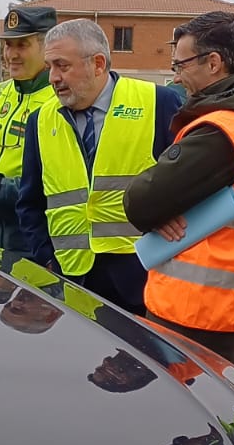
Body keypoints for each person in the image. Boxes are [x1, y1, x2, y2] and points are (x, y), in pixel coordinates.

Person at [123, 11, 234, 369]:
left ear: (214, 63)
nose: (176, 76)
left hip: (196, 313)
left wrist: (160, 207)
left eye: (181, 64)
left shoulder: (220, 133)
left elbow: (140, 203)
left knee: (178, 416)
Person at [16, 19, 183, 316]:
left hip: (143, 280)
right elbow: (30, 202)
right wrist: (47, 261)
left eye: (62, 66)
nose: (53, 77)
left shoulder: (159, 103)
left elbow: (188, 184)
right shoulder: (40, 121)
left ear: (97, 63)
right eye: (49, 66)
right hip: (72, 279)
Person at [0, 7, 60, 251]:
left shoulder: (59, 100)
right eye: (8, 45)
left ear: (46, 47)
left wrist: (0, 190)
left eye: (22, 45)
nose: (11, 55)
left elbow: (59, 177)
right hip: (1, 232)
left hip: (40, 235)